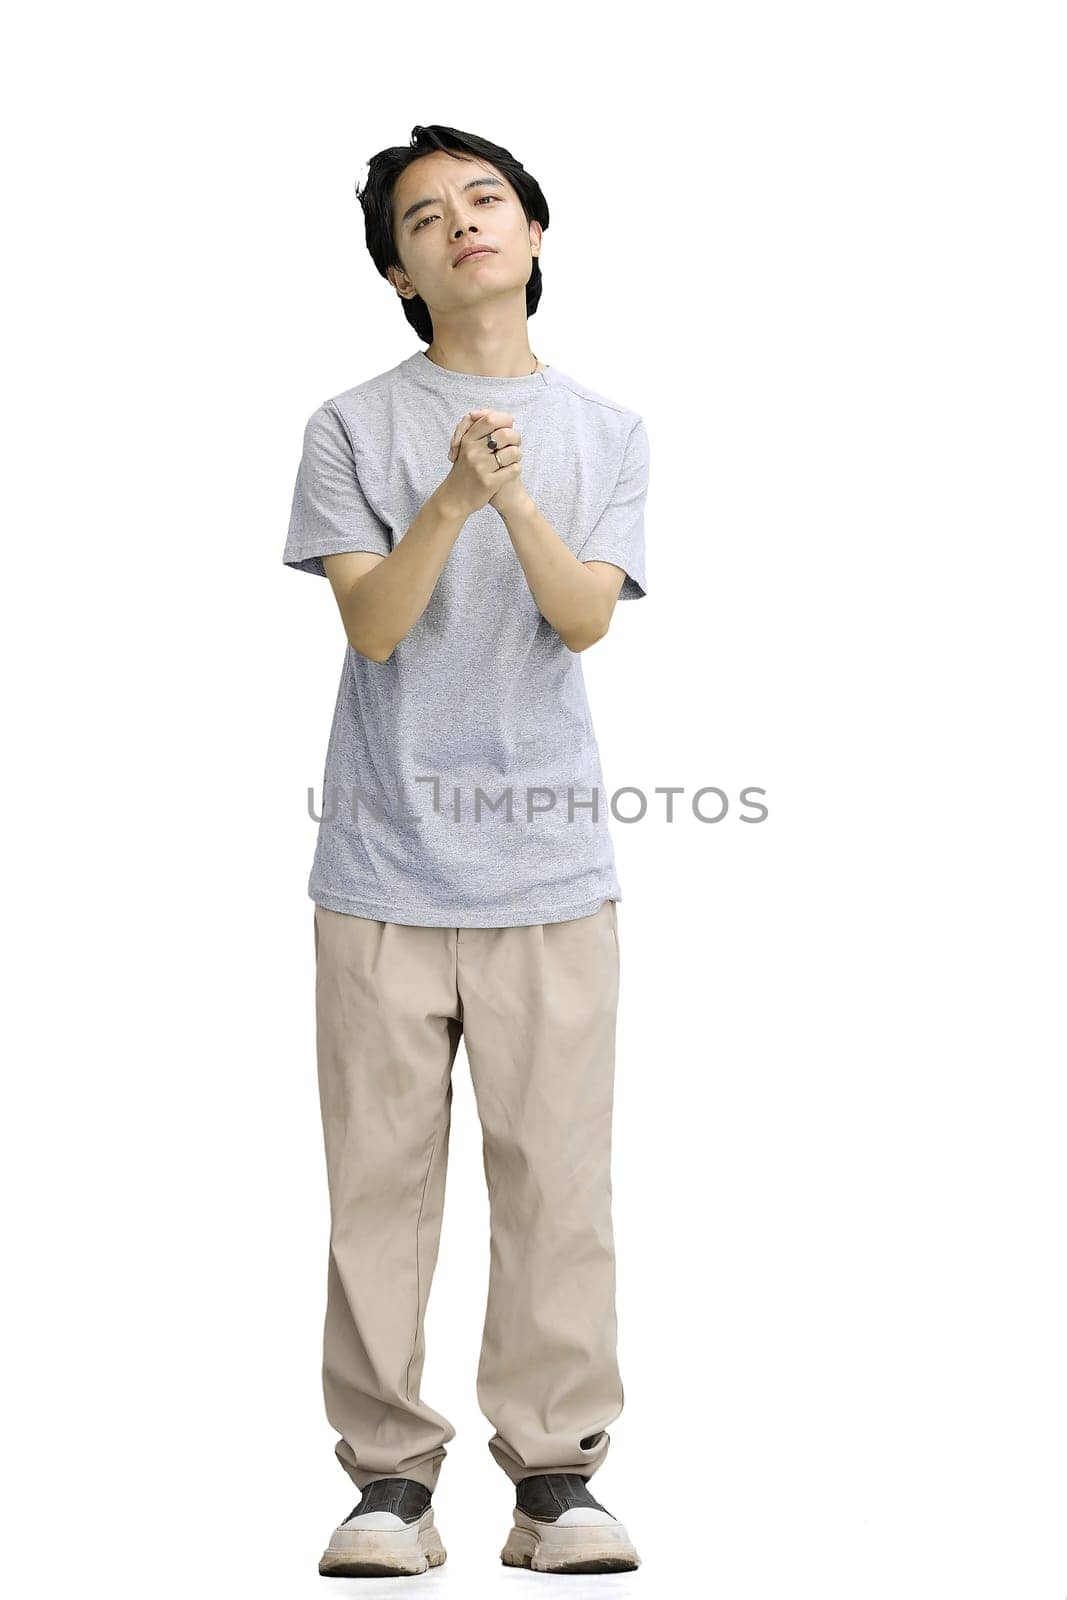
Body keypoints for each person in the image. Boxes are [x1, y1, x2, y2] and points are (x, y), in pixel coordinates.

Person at [282, 124, 650, 1578]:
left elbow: (581, 617)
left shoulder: (607, 431)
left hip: (550, 875)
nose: (463, 225)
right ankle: (388, 1482)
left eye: (486, 199)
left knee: (557, 1182)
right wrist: (444, 493)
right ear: (398, 270)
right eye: (426, 218)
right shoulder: (350, 426)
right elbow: (374, 628)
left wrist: (510, 491)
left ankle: (556, 1480)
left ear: (537, 235)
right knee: (379, 1182)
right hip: (379, 868)